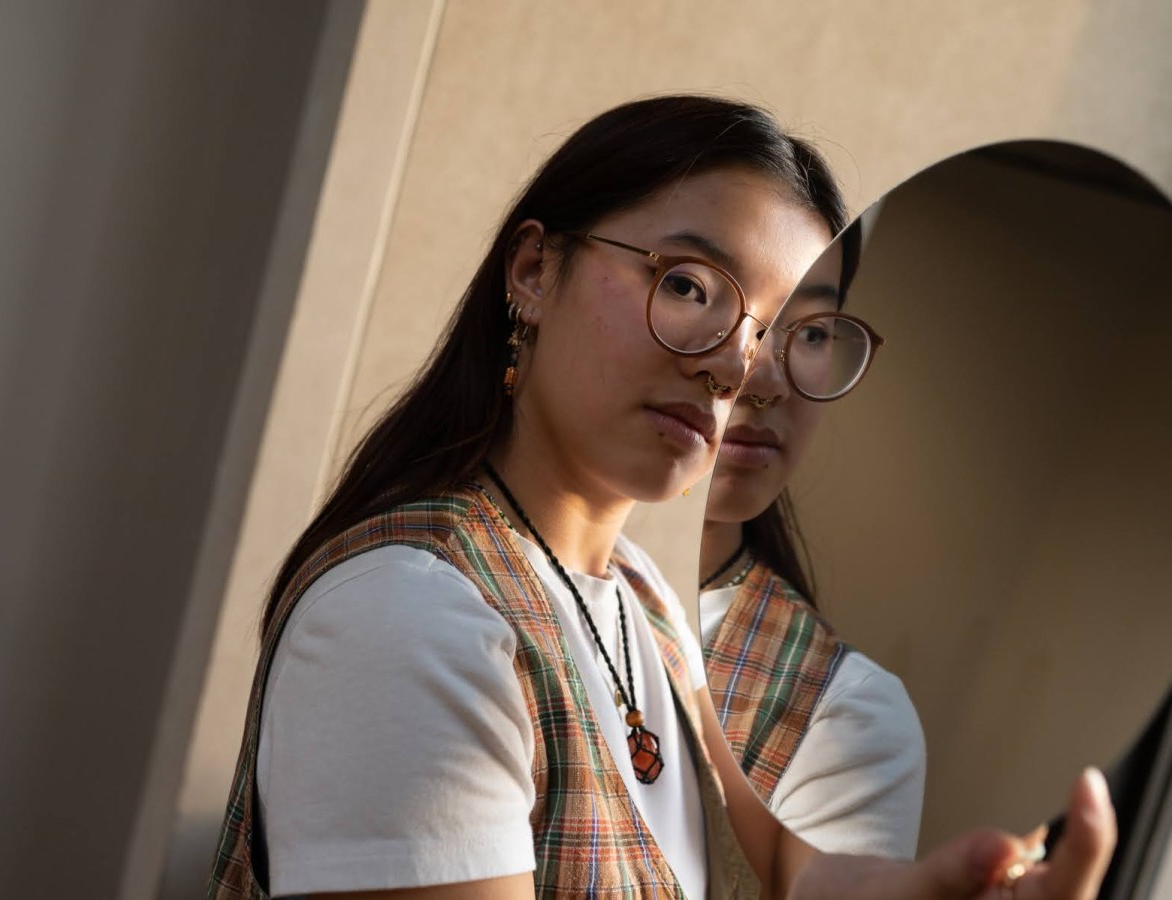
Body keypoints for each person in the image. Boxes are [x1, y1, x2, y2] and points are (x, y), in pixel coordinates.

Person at [207, 95, 1115, 899]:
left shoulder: (640, 599)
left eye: (783, 331)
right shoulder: (407, 615)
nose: (737, 367)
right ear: (533, 272)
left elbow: (791, 871)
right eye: (687, 284)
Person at [698, 236, 927, 859]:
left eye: (814, 332)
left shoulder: (840, 714)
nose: (765, 378)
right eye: (696, 293)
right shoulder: (436, 556)